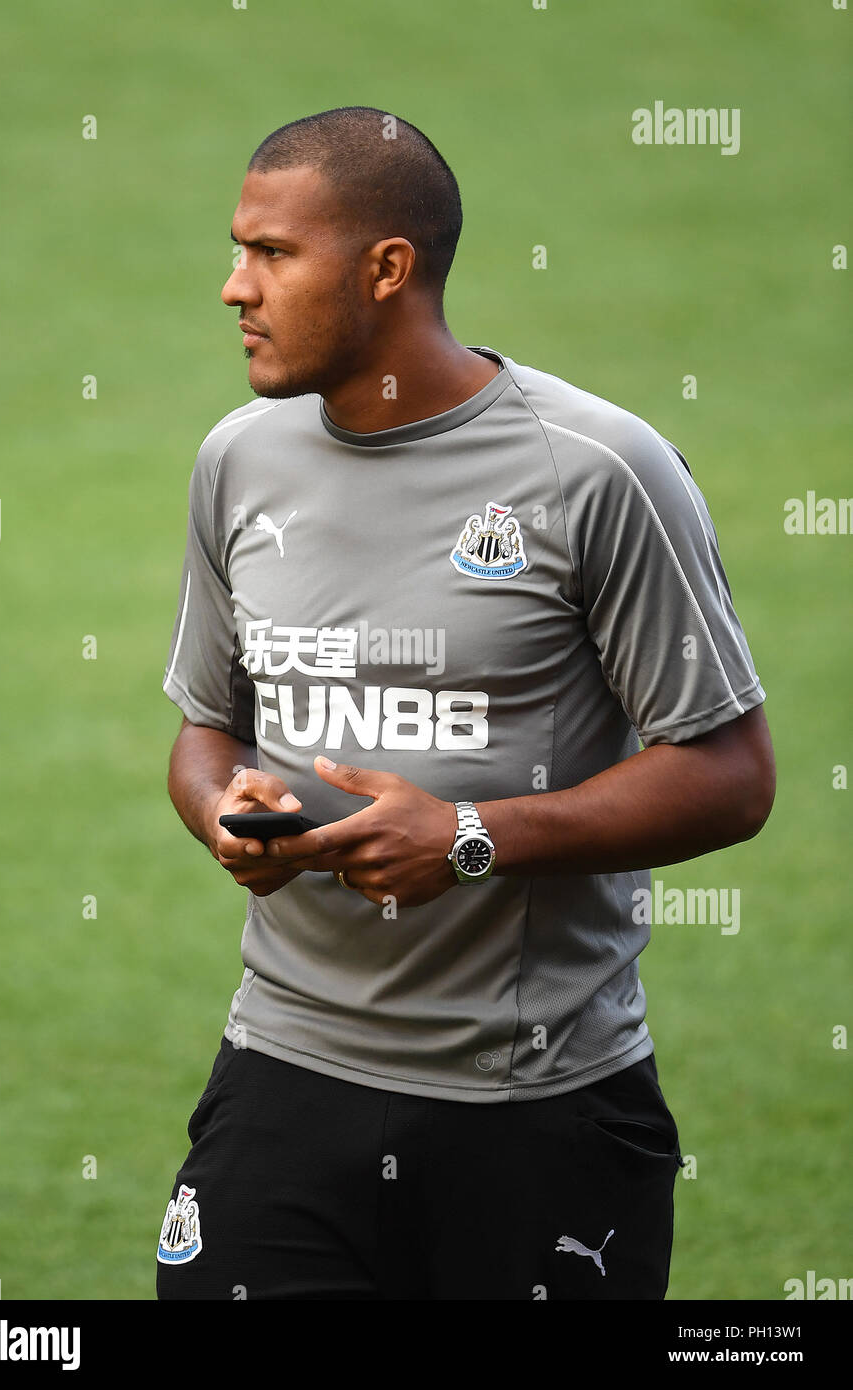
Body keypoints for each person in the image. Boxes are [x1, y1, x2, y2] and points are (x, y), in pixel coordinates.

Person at [156, 106, 775, 1301]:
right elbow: (203, 727)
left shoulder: (596, 470)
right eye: (238, 249)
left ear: (387, 268)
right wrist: (222, 805)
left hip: (536, 1106)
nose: (235, 286)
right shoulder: (238, 459)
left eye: (272, 254)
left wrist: (474, 837)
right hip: (286, 1070)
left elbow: (730, 773)